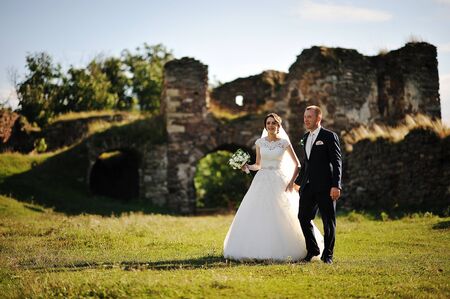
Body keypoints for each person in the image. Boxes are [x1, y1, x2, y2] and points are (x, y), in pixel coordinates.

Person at [223, 113, 323, 261]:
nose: (271, 126)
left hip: (279, 180)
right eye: (268, 123)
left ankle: (303, 248)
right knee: (257, 212)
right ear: (265, 126)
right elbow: (258, 164)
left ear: (278, 126)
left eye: (274, 123)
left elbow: (297, 164)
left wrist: (291, 183)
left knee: (284, 213)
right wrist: (247, 166)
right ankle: (255, 248)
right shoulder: (259, 142)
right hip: (262, 180)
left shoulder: (283, 143)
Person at [295, 105, 342, 264]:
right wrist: (298, 183)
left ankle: (327, 255)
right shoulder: (305, 137)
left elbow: (337, 162)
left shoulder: (329, 136)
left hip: (326, 187)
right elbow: (306, 163)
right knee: (303, 217)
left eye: (309, 116)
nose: (306, 119)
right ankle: (313, 249)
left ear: (318, 118)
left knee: (328, 221)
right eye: (305, 116)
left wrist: (336, 185)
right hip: (308, 187)